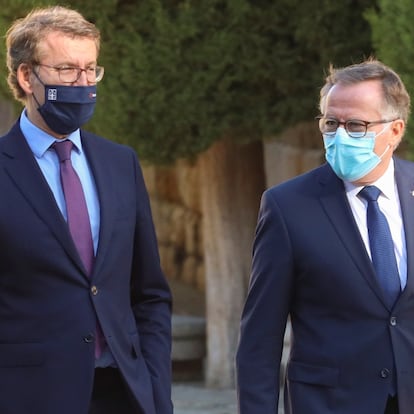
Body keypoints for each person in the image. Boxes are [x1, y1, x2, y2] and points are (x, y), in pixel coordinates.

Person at [1, 6, 172, 414]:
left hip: (125, 392)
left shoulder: (120, 163)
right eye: (66, 70)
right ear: (27, 77)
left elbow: (148, 292)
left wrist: (155, 388)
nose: (83, 83)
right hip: (29, 396)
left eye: (90, 70)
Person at [236, 58, 414, 414]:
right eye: (332, 123)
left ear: (395, 131)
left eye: (357, 125)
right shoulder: (288, 207)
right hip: (330, 403)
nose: (341, 135)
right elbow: (261, 338)